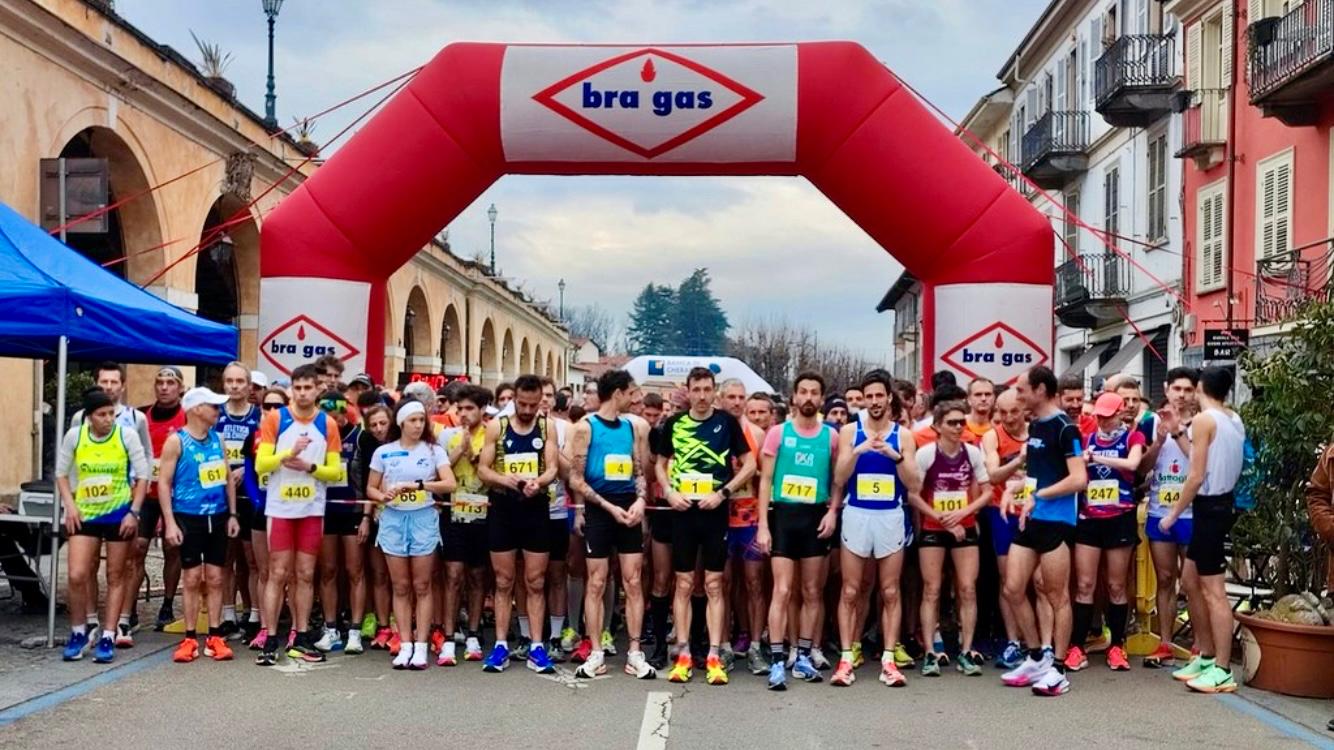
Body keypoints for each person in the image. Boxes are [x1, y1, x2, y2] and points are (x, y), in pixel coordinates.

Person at [654, 367, 756, 685]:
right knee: (683, 583)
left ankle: (713, 655)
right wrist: (669, 492)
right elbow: (660, 464)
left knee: (713, 584)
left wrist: (723, 492)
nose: (701, 396)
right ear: (688, 391)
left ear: (714, 391)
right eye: (696, 389)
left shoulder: (726, 422)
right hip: (683, 512)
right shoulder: (675, 423)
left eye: (707, 389)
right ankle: (683, 653)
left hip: (715, 512)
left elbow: (750, 464)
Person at [1000, 365, 1087, 697]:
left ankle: (1059, 669)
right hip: (1034, 518)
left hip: (1058, 522)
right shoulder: (1035, 425)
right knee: (1013, 588)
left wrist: (1040, 496)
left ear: (1039, 390)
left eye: (1022, 390)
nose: (1018, 396)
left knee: (1056, 596)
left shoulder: (1066, 428)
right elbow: (1038, 476)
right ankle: (1037, 657)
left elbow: (1078, 479)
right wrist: (1017, 490)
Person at [1157, 366, 1246, 693]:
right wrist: (1178, 432)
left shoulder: (1206, 420)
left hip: (1210, 506)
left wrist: (1172, 514)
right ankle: (1206, 655)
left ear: (1200, 389)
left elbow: (1195, 475)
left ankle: (1222, 668)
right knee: (1191, 581)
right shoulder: (1232, 418)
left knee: (1214, 591)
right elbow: (1200, 457)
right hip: (1219, 505)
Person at [831, 370, 919, 687]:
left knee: (890, 590)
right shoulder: (850, 431)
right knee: (851, 590)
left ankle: (888, 661)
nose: (874, 401)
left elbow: (914, 483)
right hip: (857, 513)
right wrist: (859, 450)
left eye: (879, 395)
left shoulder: (903, 435)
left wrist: (895, 456)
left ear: (889, 397)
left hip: (890, 516)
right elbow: (839, 478)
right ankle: (845, 659)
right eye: (869, 397)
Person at [568, 370, 655, 679]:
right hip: (600, 509)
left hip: (628, 506)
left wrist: (640, 501)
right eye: (631, 393)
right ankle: (595, 652)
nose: (635, 399)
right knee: (596, 581)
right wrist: (606, 507)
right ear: (617, 393)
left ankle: (635, 652)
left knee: (633, 580)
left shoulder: (633, 427)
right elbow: (575, 477)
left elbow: (639, 472)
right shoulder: (585, 427)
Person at [254, 364, 343, 666]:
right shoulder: (276, 419)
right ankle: (269, 639)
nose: (303, 393)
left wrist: (310, 467)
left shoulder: (327, 424)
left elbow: (334, 472)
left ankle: (301, 637)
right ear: (292, 389)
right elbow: (261, 465)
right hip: (280, 509)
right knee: (278, 573)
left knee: (305, 574)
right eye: (298, 388)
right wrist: (287, 455)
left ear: (318, 389)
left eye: (308, 388)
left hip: (311, 510)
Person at [757, 372, 840, 689]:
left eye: (814, 392)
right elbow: (765, 480)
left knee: (812, 591)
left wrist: (833, 512)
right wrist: (763, 525)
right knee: (782, 590)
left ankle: (803, 655)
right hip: (783, 517)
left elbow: (837, 480)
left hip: (815, 517)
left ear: (821, 399)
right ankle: (778, 660)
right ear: (794, 396)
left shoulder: (830, 436)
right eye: (803, 391)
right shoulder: (778, 433)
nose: (808, 397)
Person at [57, 388, 150, 663]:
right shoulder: (75, 436)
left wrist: (134, 512)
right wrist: (69, 505)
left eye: (111, 413)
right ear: (89, 417)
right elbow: (61, 474)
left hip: (118, 514)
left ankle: (109, 634)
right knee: (77, 574)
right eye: (102, 414)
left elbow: (143, 475)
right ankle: (79, 631)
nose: (109, 419)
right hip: (85, 514)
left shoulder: (126, 435)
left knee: (115, 575)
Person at [477, 375, 560, 674]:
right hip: (503, 507)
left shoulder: (546, 426)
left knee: (535, 581)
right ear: (514, 399)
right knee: (503, 581)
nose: (527, 410)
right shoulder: (497, 427)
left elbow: (553, 467)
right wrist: (505, 480)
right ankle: (500, 645)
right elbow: (483, 469)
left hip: (535, 507)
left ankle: (537, 646)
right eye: (522, 404)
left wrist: (539, 482)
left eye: (532, 405)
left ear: (540, 402)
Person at [367, 399, 455, 669]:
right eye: (412, 420)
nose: (418, 425)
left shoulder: (434, 450)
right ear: (401, 423)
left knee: (422, 585)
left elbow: (450, 483)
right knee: (400, 586)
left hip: (423, 518)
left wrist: (419, 485)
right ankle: (404, 644)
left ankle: (421, 646)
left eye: (421, 420)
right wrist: (383, 496)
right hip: (393, 520)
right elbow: (370, 488)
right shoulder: (384, 452)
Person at [158, 387, 240, 663]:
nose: (218, 411)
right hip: (187, 516)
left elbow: (227, 478)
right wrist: (170, 523)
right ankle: (190, 637)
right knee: (192, 578)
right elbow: (164, 483)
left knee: (216, 577)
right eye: (213, 406)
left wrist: (232, 514)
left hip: (217, 516)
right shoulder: (176, 441)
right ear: (196, 409)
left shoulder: (218, 438)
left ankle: (215, 635)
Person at [912, 399, 990, 678]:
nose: (958, 427)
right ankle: (930, 652)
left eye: (961, 422)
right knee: (932, 589)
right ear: (937, 426)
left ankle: (966, 651)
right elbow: (913, 494)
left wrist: (964, 513)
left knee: (967, 589)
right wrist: (941, 517)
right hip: (933, 527)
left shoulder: (972, 452)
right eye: (952, 423)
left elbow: (987, 492)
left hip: (964, 526)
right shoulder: (926, 454)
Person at [1067, 392, 1144, 673]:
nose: (1103, 420)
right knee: (1085, 584)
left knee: (1116, 585)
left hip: (1119, 518)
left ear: (1120, 413)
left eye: (1108, 416)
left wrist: (1096, 458)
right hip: (1090, 518)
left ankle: (1117, 646)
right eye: (1099, 415)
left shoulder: (1132, 438)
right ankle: (1077, 646)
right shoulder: (1087, 439)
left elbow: (1133, 464)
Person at [1141, 367, 1199, 668]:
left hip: (1191, 514)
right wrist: (1159, 442)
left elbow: (1201, 465)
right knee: (1164, 579)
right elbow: (1141, 468)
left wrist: (1179, 432)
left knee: (1193, 583)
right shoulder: (1151, 422)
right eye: (1177, 389)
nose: (1182, 395)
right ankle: (1164, 642)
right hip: (1159, 511)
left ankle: (1200, 646)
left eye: (1188, 390)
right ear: (1166, 389)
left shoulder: (1201, 424)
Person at [314, 390, 369, 655]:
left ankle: (355, 631)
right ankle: (331, 628)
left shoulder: (360, 437)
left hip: (353, 512)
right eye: (325, 413)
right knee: (328, 571)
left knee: (355, 571)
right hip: (325, 511)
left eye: (335, 413)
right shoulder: (316, 437)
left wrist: (367, 516)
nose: (332, 418)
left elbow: (371, 479)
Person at [132, 366, 186, 632]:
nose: (164, 387)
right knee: (138, 547)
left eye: (170, 383)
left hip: (175, 495)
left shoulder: (188, 417)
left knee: (172, 548)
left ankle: (167, 604)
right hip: (145, 493)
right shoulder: (141, 416)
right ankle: (129, 608)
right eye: (160, 382)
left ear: (180, 388)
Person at [441, 386, 492, 665]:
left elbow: (489, 473)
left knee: (477, 576)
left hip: (483, 512)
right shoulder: (448, 436)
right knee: (453, 575)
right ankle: (449, 636)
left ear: (482, 410)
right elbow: (438, 472)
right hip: (454, 512)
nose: (463, 413)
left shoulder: (492, 434)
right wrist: (458, 451)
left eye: (469, 408)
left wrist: (471, 454)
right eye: (459, 408)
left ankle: (473, 633)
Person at [980, 388, 1030, 669]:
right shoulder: (993, 436)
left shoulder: (1037, 433)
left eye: (1014, 411)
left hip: (1035, 511)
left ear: (1025, 410)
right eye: (1003, 412)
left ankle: (1037, 642)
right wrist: (1019, 462)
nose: (1009, 418)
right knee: (1009, 581)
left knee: (1039, 582)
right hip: (1003, 512)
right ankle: (1013, 641)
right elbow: (993, 475)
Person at [215, 362, 262, 642]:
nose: (234, 386)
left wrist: (247, 468)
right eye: (229, 381)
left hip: (250, 495)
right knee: (226, 558)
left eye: (239, 381)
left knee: (252, 559)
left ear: (249, 386)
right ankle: (228, 614)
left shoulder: (259, 416)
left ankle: (255, 614)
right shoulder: (215, 414)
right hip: (222, 494)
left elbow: (264, 451)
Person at [246, 387, 289, 653]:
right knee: (264, 571)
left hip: (289, 509)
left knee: (290, 574)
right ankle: (265, 626)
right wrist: (257, 501)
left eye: (278, 407)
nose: (272, 411)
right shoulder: (255, 436)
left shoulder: (296, 435)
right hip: (262, 509)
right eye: (267, 406)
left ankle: (295, 629)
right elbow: (249, 474)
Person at [356, 404, 396, 651]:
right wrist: (366, 518)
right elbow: (367, 487)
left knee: (401, 579)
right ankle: (383, 626)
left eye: (383, 423)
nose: (379, 429)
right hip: (379, 516)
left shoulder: (405, 445)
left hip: (405, 517)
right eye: (373, 425)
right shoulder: (370, 449)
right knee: (379, 574)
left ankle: (400, 625)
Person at [962, 378, 995, 446]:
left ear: (994, 398)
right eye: (978, 394)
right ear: (969, 400)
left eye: (988, 394)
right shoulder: (958, 425)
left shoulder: (1000, 427)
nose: (983, 399)